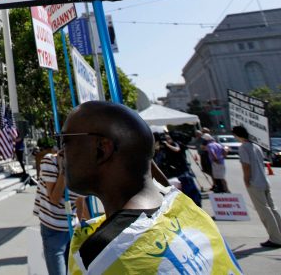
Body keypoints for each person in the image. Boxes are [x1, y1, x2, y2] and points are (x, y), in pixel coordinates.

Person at [60, 101, 242, 274]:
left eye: (65, 141)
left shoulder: (101, 255)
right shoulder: (183, 206)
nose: (60, 152)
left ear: (102, 149)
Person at [34, 151, 87, 275]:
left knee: (72, 271)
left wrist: (81, 226)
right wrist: (64, 171)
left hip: (71, 229)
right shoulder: (50, 161)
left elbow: (80, 201)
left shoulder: (83, 168)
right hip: (53, 228)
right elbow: (54, 198)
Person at [232, 125, 281, 248]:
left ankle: (276, 238)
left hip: (255, 182)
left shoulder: (243, 148)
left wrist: (246, 180)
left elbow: (246, 165)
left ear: (237, 135)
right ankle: (279, 235)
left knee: (264, 210)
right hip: (264, 180)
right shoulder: (256, 146)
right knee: (272, 208)